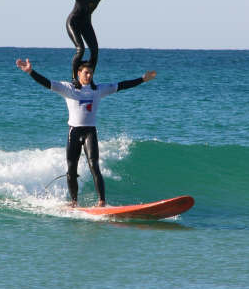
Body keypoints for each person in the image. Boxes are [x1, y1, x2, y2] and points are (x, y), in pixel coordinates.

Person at [16, 58, 156, 207]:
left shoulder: (98, 90)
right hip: (74, 132)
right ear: (78, 73)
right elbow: (47, 83)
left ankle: (102, 201)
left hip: (90, 131)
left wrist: (142, 79)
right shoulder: (68, 88)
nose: (89, 76)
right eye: (86, 73)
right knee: (71, 169)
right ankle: (74, 202)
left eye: (91, 73)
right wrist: (30, 72)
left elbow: (122, 85)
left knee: (94, 165)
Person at [40, 0, 149, 88]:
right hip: (73, 23)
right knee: (80, 49)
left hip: (86, 24)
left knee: (95, 51)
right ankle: (74, 78)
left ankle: (90, 78)